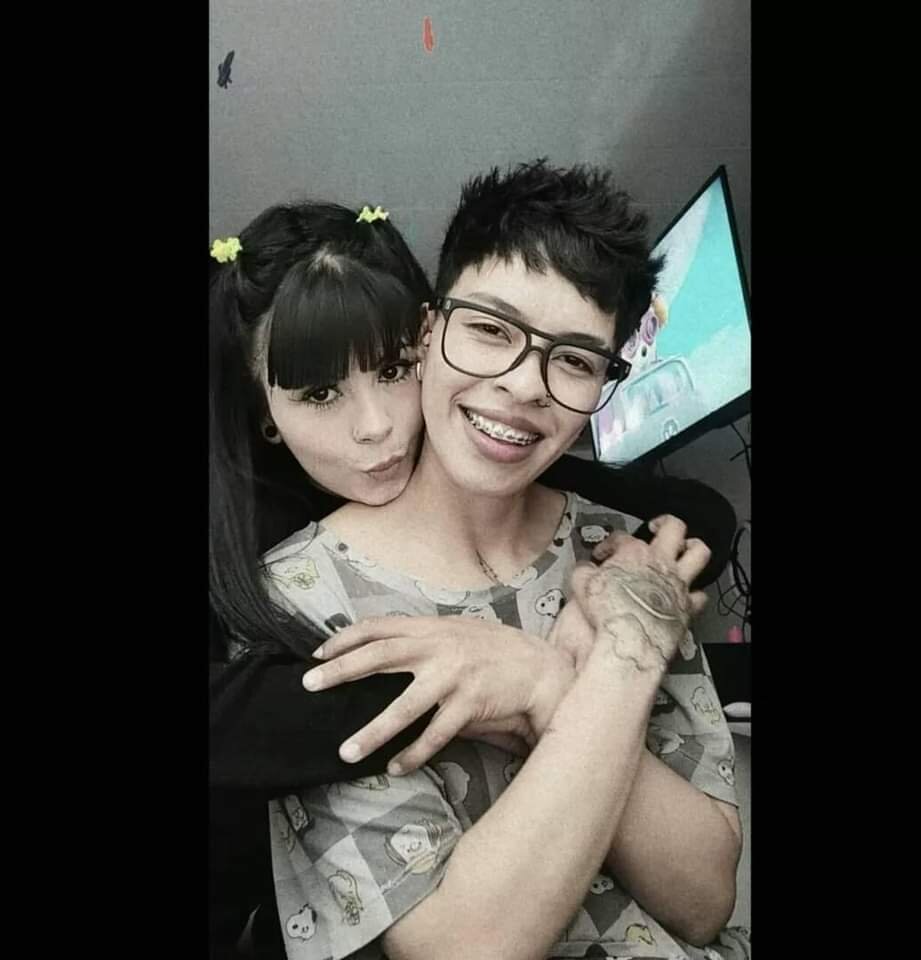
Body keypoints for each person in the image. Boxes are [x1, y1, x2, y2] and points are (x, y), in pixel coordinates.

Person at [259, 160, 749, 959]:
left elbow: (704, 900)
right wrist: (607, 667)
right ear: (428, 334)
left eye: (576, 360)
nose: (525, 386)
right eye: (491, 328)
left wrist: (545, 686)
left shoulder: (628, 558)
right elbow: (465, 948)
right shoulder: (301, 597)